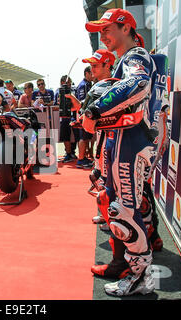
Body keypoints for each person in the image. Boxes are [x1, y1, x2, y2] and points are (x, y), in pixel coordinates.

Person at [82, 8, 166, 296]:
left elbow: (138, 84)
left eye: (106, 29)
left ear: (126, 28)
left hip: (131, 141)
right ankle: (137, 273)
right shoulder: (126, 59)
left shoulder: (134, 56)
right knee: (119, 208)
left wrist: (95, 108)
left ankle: (141, 277)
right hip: (123, 140)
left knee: (123, 213)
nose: (102, 35)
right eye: (99, 31)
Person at [68, 49, 116, 230]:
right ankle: (105, 214)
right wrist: (78, 108)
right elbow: (86, 112)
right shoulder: (97, 85)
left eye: (96, 65)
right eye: (91, 65)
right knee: (101, 177)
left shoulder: (110, 85)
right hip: (101, 139)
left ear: (107, 65)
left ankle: (112, 217)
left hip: (111, 139)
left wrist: (84, 117)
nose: (92, 68)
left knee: (108, 178)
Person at [55, 75, 80, 163]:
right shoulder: (58, 91)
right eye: (65, 82)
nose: (68, 84)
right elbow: (55, 103)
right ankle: (68, 153)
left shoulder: (75, 89)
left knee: (77, 135)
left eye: (69, 82)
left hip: (75, 115)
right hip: (64, 116)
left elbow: (79, 102)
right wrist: (59, 102)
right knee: (65, 135)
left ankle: (73, 152)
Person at [74, 67, 94, 169]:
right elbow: (82, 101)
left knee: (85, 137)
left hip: (84, 114)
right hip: (83, 114)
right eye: (91, 73)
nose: (93, 75)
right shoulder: (84, 85)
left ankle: (83, 157)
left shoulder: (86, 84)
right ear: (86, 73)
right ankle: (81, 159)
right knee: (83, 137)